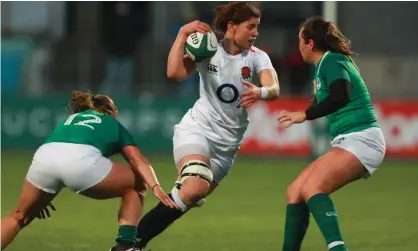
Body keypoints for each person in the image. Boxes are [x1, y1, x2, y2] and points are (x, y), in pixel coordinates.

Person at [134, 2, 280, 250]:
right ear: (232, 27)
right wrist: (182, 34)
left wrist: (261, 92)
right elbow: (174, 72)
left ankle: (132, 243)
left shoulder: (257, 57)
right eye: (251, 27)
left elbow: (274, 88)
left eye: (257, 27)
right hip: (198, 130)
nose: (256, 33)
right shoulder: (208, 48)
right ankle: (129, 244)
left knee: (189, 195)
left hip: (227, 146)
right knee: (196, 184)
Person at [0, 91, 178, 251]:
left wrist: (42, 195)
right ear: (112, 112)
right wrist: (155, 186)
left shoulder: (70, 120)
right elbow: (137, 160)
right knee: (136, 183)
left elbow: (59, 153)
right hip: (79, 161)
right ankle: (125, 246)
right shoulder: (111, 122)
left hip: (44, 158)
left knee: (19, 216)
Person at [277, 16, 386, 251]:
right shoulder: (325, 65)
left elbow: (341, 95)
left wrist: (304, 114)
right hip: (351, 140)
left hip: (362, 138)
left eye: (300, 41)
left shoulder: (332, 60)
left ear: (310, 44)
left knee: (313, 188)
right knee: (295, 192)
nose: (298, 47)